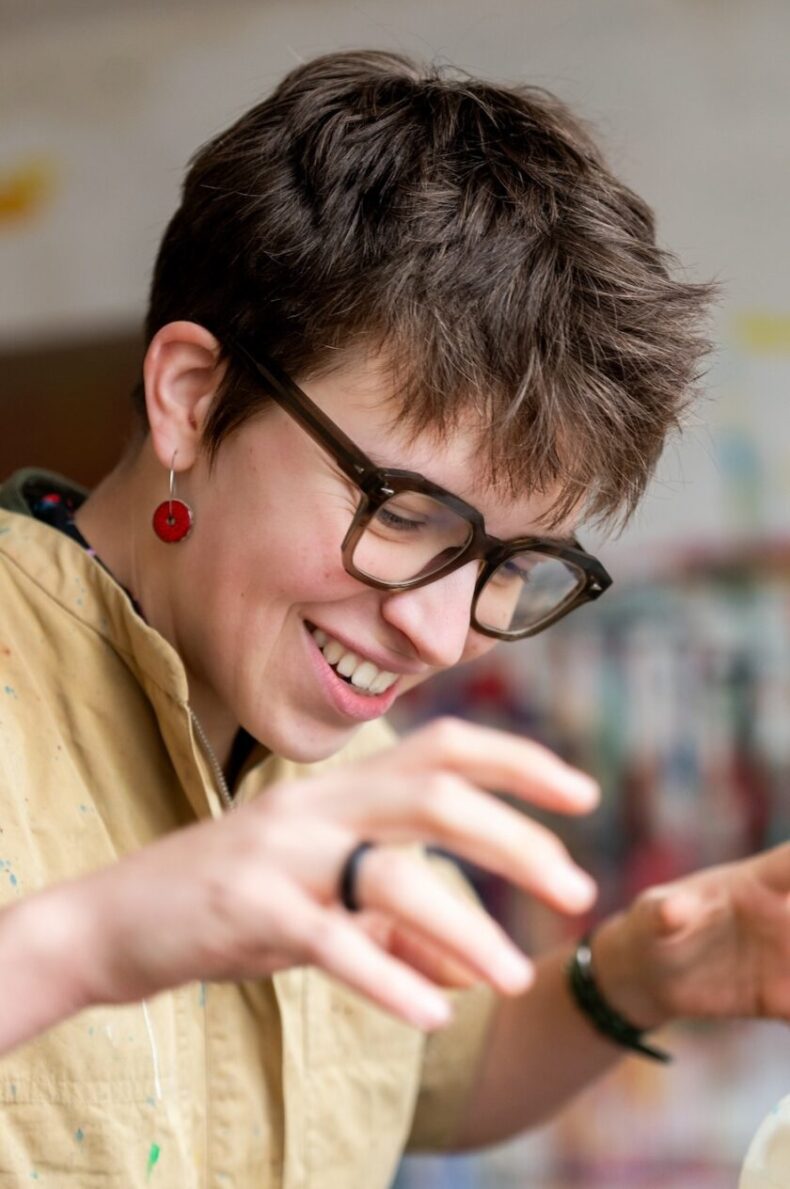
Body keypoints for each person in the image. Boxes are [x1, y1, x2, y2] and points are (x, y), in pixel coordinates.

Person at [0, 49, 787, 1188]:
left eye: (512, 563)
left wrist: (641, 975)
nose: (440, 633)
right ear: (193, 398)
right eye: (406, 512)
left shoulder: (355, 766)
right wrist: (85, 943)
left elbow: (432, 1076)